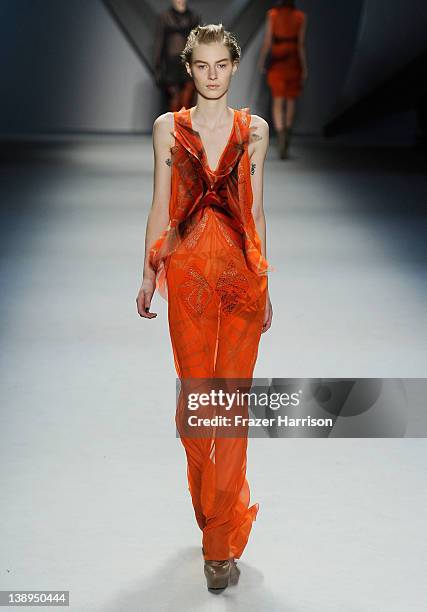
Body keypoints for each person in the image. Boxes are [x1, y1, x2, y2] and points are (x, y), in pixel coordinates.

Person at [136, 23, 274, 592]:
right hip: (188, 276)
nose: (212, 76)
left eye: (222, 66)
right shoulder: (168, 129)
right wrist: (148, 274)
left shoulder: (255, 131)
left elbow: (256, 211)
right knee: (198, 405)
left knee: (230, 406)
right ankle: (212, 519)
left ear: (234, 67)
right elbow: (158, 205)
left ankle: (218, 547)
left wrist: (268, 280)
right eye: (203, 66)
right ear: (188, 70)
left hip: (242, 278)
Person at [258, 0, 308, 159]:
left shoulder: (272, 15)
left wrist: (261, 60)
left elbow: (267, 41)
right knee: (291, 100)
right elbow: (300, 44)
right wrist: (304, 66)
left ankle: (281, 140)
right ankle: (286, 137)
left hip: (278, 59)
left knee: (278, 101)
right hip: (293, 59)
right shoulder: (300, 17)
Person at [153, 0, 201, 112]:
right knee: (173, 101)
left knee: (187, 101)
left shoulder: (194, 17)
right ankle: (173, 128)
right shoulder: (164, 17)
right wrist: (157, 67)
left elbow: (198, 44)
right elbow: (159, 43)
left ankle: (185, 128)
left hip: (187, 64)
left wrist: (199, 65)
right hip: (171, 66)